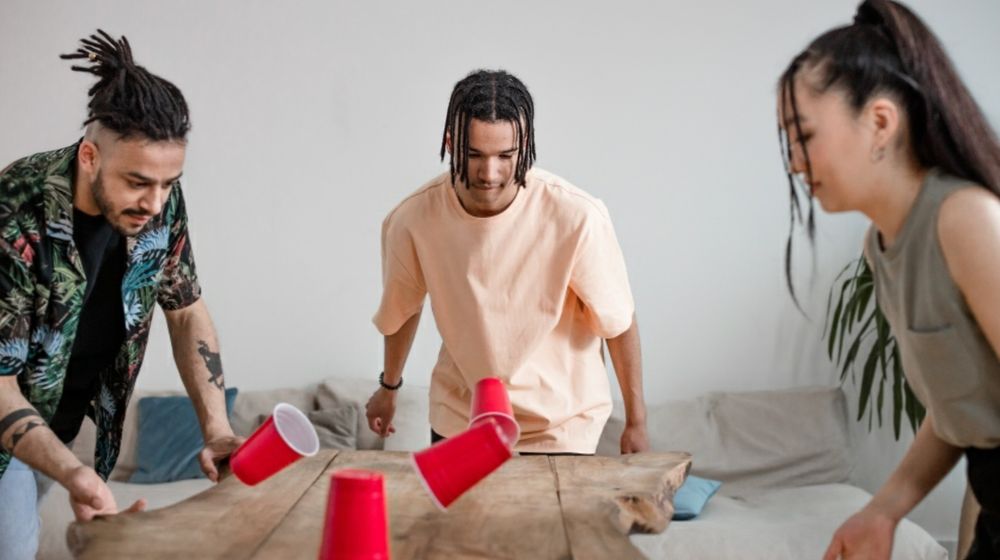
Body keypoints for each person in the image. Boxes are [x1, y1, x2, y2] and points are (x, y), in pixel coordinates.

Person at [0, 30, 242, 560]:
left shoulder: (160, 199)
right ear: (90, 157)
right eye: (138, 182)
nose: (155, 203)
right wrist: (73, 475)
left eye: (168, 183)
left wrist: (218, 430)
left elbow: (185, 310)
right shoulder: (14, 214)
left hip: (59, 425)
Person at [777, 2, 1000, 558]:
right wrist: (882, 511)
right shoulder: (881, 247)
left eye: (804, 135)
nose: (794, 163)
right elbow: (959, 410)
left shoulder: (966, 219)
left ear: (879, 122)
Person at [365, 69, 649, 456]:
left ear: (526, 144)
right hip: (460, 419)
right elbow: (402, 309)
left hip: (558, 425)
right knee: (453, 519)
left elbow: (619, 322)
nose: (490, 173)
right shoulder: (413, 219)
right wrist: (389, 387)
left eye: (505, 156)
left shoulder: (576, 217)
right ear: (450, 143)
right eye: (474, 155)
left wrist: (636, 424)